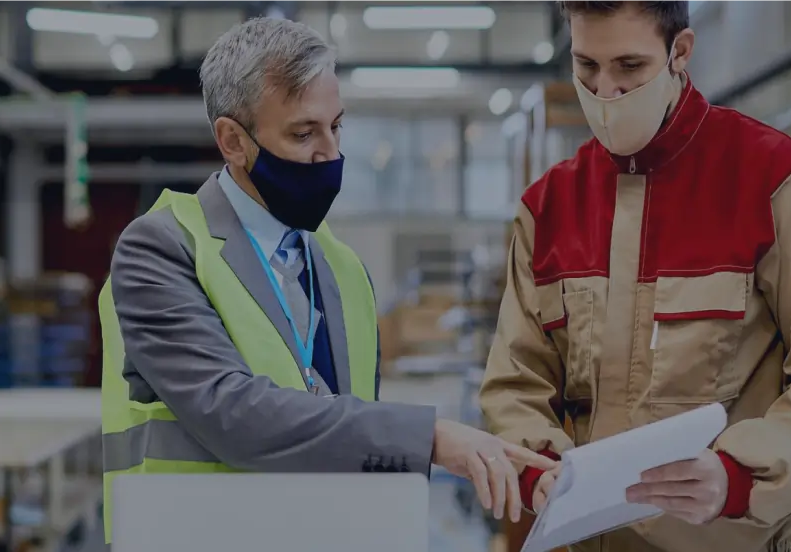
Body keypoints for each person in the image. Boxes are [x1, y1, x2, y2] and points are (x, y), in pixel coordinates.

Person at [98, 16, 552, 544]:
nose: (331, 154)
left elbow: (352, 436)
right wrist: (426, 437)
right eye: (303, 133)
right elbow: (232, 413)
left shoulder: (343, 269)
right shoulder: (162, 250)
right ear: (232, 141)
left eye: (337, 126)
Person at [479, 0, 791, 551]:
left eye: (629, 68)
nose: (605, 93)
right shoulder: (548, 207)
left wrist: (741, 475)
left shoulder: (774, 181)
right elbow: (515, 382)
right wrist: (537, 468)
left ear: (680, 52)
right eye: (586, 67)